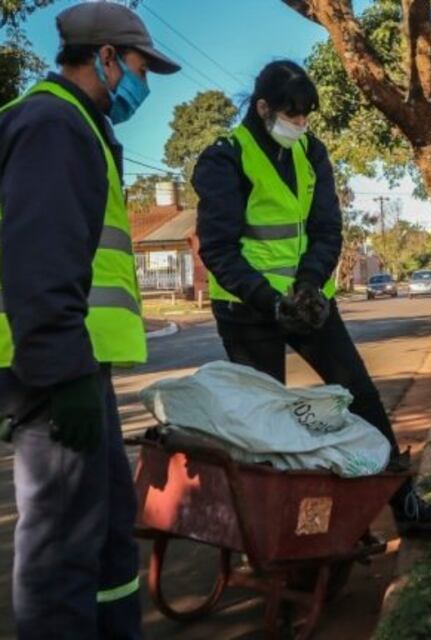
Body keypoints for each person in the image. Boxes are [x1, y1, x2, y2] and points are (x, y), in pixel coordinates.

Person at [193, 60, 431, 536]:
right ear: (263, 107)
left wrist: (310, 285)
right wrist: (268, 301)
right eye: (292, 115)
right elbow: (217, 248)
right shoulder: (225, 157)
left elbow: (326, 229)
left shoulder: (311, 152)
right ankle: (273, 531)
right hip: (247, 310)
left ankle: (404, 503)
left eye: (306, 116)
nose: (301, 124)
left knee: (360, 395)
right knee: (263, 424)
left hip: (308, 302)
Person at [0, 3, 180, 638]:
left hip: (76, 368)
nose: (144, 85)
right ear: (105, 57)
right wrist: (64, 372)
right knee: (61, 551)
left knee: (104, 538)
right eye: (139, 68)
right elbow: (41, 259)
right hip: (56, 372)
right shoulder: (53, 124)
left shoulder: (77, 124)